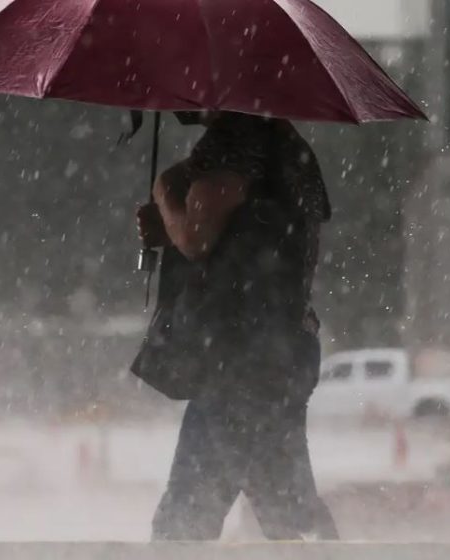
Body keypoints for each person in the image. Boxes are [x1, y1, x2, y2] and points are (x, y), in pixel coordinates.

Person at [135, 111, 339, 541]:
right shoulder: (289, 147)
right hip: (275, 351)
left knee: (276, 514)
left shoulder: (236, 140)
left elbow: (195, 236)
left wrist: (164, 196)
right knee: (225, 510)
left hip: (239, 358)